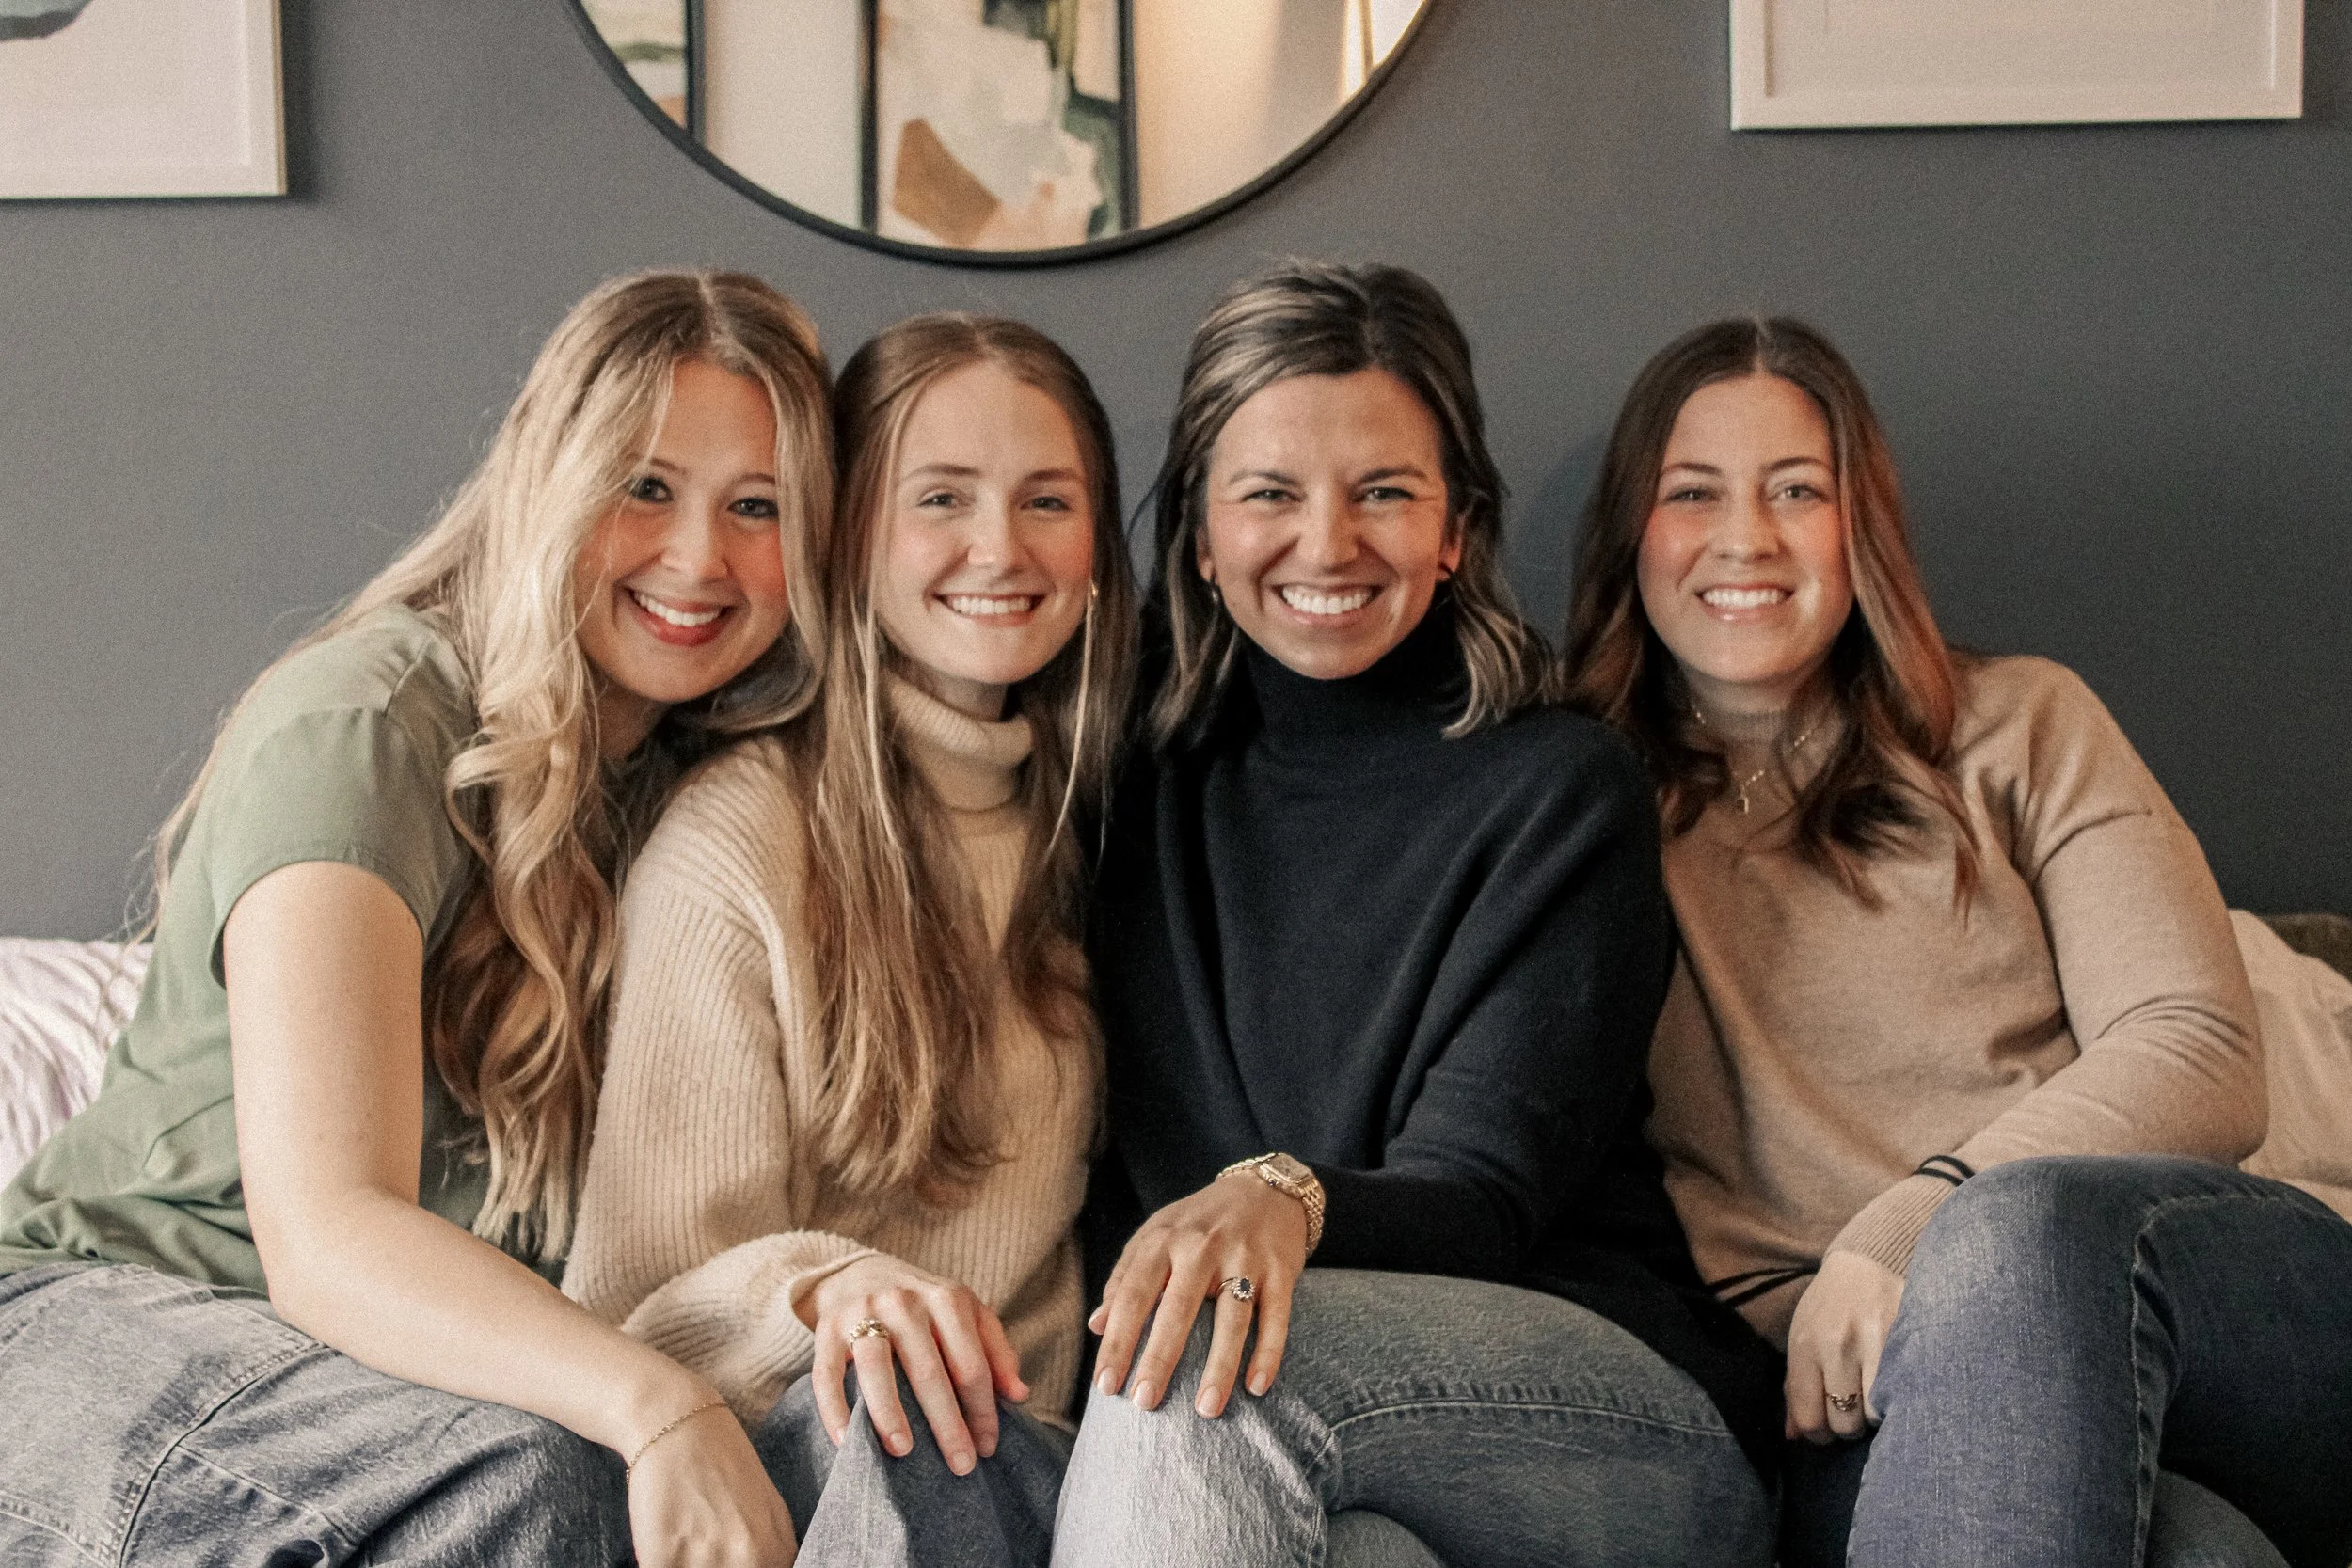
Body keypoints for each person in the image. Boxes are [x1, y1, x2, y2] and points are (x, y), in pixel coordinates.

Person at [0, 269, 835, 1566]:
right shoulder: (372, 723)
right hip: (100, 1317)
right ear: (546, 480)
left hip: (363, 1388)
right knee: (528, 1484)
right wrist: (662, 1404)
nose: (698, 558)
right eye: (647, 485)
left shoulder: (700, 800)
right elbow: (326, 1232)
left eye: (759, 507)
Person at [1563, 315, 2352, 1568]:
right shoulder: (1574, 809)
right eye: (1692, 491)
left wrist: (1912, 1220)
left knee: (2017, 1230)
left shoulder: (2018, 721)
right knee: (2203, 1556)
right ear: (1630, 534)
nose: (1745, 537)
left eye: (1798, 491)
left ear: (1859, 528)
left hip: (2210, 1300)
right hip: (1871, 1394)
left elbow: (2199, 1047)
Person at [1056, 261, 1779, 1568]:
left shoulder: (1561, 787)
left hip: (1600, 1406)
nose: (1328, 542)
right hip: (1289, 1436)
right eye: (1269, 492)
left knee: (1217, 1351)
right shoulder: (1123, 782)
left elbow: (1482, 1196)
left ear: (1456, 529)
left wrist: (1280, 1196)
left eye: (1383, 491)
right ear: (1202, 537)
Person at [563, 314, 1136, 1565]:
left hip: (1051, 1463)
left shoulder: (1104, 830)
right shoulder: (740, 843)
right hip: (810, 1453)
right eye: (942, 498)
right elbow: (635, 1300)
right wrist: (829, 1286)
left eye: (1048, 500)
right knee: (900, 1420)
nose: (1000, 547)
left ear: (1100, 550)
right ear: (850, 533)